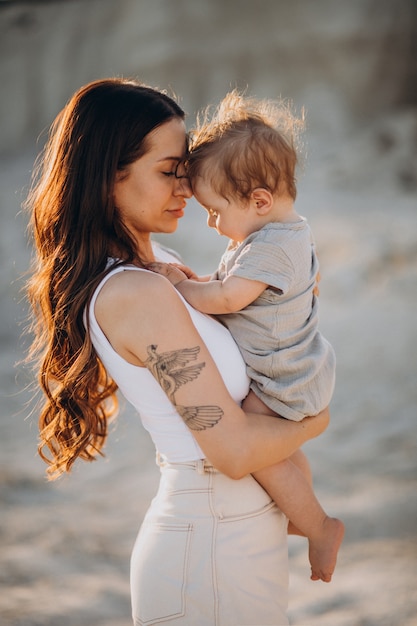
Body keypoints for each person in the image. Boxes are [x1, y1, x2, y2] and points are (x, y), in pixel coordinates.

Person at [25, 77, 331, 626]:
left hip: (232, 541)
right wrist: (316, 420)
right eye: (169, 172)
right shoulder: (135, 292)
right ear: (107, 176)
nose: (188, 189)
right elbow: (233, 451)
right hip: (207, 551)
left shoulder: (160, 267)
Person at [149, 90, 344, 583]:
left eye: (215, 211)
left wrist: (183, 285)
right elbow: (234, 290)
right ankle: (304, 511)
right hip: (296, 369)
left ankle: (319, 525)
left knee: (264, 452)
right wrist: (205, 284)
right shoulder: (281, 234)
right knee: (285, 452)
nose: (212, 224)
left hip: (282, 376)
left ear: (259, 200)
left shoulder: (270, 247)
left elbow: (229, 298)